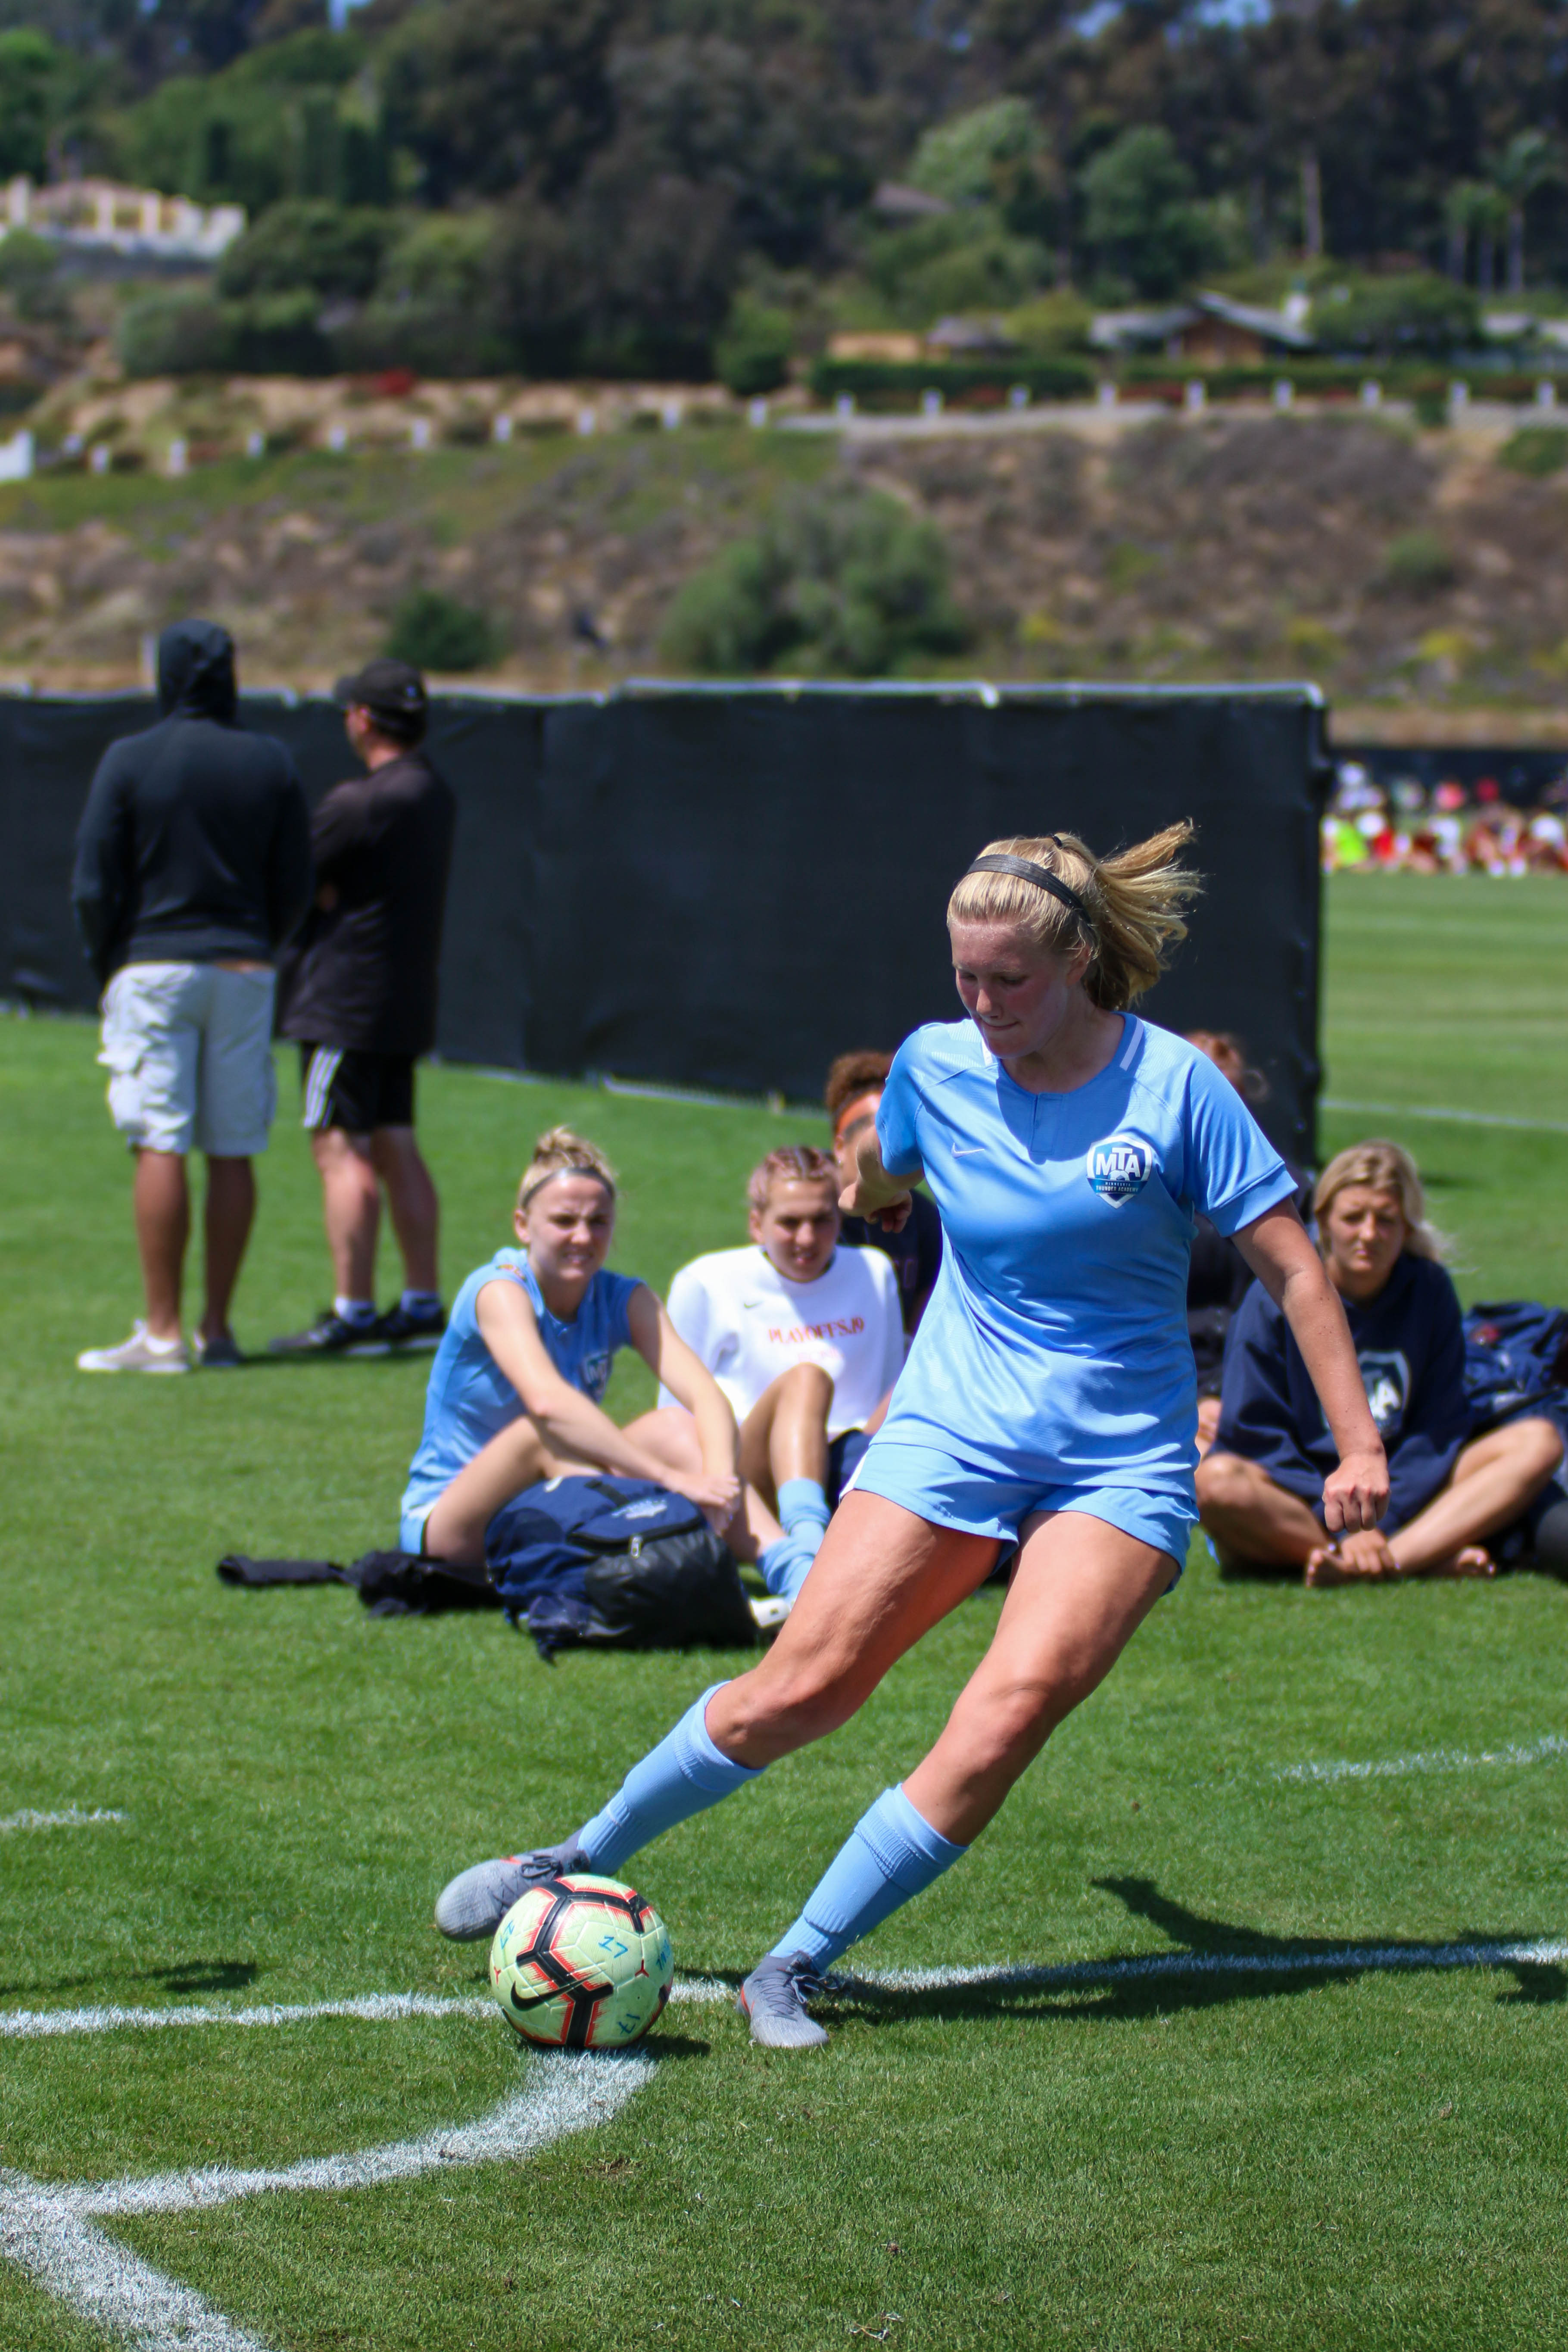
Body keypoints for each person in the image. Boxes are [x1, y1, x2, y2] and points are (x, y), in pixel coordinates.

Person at [431, 825, 1389, 2051]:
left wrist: (1354, 1447)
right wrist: (873, 1191)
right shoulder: (934, 1067)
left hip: (1117, 1463)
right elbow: (880, 1173)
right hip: (950, 1428)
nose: (982, 1004)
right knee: (805, 1686)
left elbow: (1294, 1274)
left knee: (1008, 1706)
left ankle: (792, 1965)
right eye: (964, 978)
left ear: (1081, 959)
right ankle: (565, 1858)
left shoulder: (1172, 1090)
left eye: (1009, 980)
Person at [70, 618, 312, 1372]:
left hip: (154, 967)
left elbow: (91, 881)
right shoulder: (270, 760)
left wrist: (108, 958)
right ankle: (218, 1331)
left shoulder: (129, 758)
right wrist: (261, 942)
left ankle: (164, 1333)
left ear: (165, 674)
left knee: (161, 1138)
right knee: (233, 1146)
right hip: (243, 969)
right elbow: (297, 878)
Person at [1196, 1140, 1564, 1586]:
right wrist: (1339, 1512)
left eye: (1386, 1219)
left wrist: (1377, 1518)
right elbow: (1256, 1436)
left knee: (1538, 1441)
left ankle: (1372, 1562)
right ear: (1324, 1222)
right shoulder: (1272, 1298)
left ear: (1407, 1229)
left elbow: (1439, 1428)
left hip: (1401, 1483)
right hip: (1299, 1491)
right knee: (1215, 1481)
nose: (1369, 1233)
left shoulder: (1429, 1290)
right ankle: (1406, 1556)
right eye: (1353, 1217)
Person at [401, 1127, 744, 1570]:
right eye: (565, 1221)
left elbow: (706, 1396)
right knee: (541, 1432)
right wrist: (669, 1479)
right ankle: (665, 1551)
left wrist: (718, 1484)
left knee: (677, 1425)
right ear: (523, 1225)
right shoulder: (498, 1290)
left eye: (598, 1221)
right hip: (449, 1526)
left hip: (547, 1500)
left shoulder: (625, 1296)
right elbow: (547, 1403)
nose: (583, 1237)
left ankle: (787, 1568)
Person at [273, 660, 457, 1357]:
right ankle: (419, 1303)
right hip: (402, 998)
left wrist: (320, 897)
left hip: (342, 1000)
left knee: (338, 1148)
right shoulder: (434, 791)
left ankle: (352, 1313)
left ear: (361, 718)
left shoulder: (360, 800)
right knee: (394, 1142)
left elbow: (293, 880)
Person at [658, 1146, 904, 1607]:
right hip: (742, 1480)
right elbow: (673, 1420)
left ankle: (816, 1546)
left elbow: (888, 1390)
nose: (807, 1238)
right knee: (807, 1380)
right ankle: (808, 1552)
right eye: (790, 1222)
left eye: (822, 1220)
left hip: (850, 1469)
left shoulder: (873, 1271)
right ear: (757, 1224)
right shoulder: (707, 1281)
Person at [1181, 1030, 1308, 1452]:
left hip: (1263, 1380)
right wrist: (1197, 1399)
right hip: (1167, 1381)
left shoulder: (1285, 1190)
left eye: (1223, 1099)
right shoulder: (1139, 1191)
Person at [826, 1051, 943, 1334]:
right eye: (876, 1141)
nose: (888, 1155)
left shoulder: (923, 1217)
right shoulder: (811, 1206)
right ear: (840, 1147)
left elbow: (922, 1320)